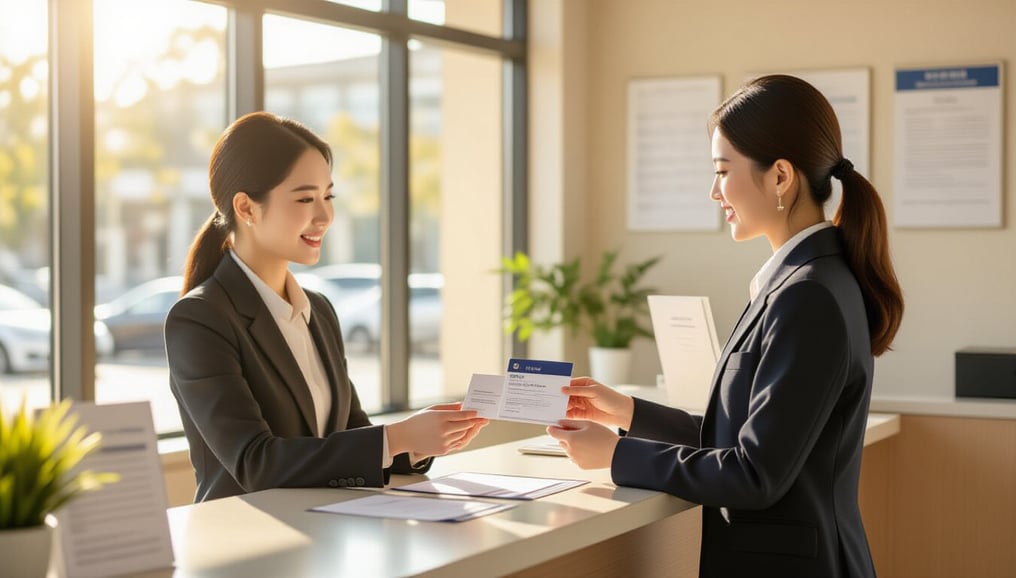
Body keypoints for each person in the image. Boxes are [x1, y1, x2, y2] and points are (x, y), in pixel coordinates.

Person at [547, 75, 904, 577]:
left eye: (722, 171)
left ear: (780, 176)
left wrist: (617, 456)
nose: (714, 192)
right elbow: (739, 438)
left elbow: (755, 474)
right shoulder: (804, 280)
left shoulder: (808, 295)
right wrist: (627, 412)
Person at [165, 112, 487, 502]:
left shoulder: (317, 310)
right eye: (305, 198)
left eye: (328, 196)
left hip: (325, 526)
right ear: (247, 208)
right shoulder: (201, 319)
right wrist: (398, 437)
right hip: (247, 533)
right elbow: (254, 462)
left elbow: (350, 433)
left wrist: (418, 443)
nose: (325, 216)